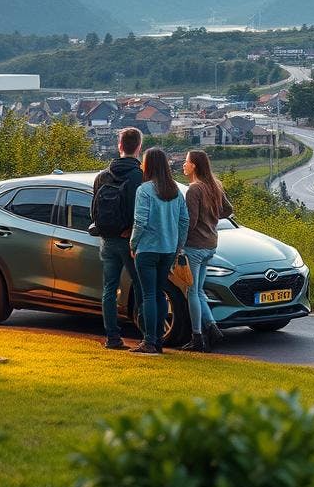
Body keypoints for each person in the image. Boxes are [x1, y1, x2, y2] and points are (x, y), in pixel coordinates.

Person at [129, 147, 189, 355]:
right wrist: (178, 246)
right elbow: (184, 221)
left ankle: (149, 341)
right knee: (160, 294)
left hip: (147, 249)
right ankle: (159, 340)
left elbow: (140, 222)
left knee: (148, 295)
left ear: (149, 164)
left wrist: (133, 244)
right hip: (168, 249)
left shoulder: (144, 190)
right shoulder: (175, 191)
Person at [89, 127, 144, 350]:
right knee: (141, 288)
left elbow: (93, 211)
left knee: (109, 289)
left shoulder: (103, 176)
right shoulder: (140, 176)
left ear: (119, 146)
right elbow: (141, 210)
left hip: (107, 240)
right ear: (139, 147)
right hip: (131, 240)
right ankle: (146, 335)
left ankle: (112, 338)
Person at [181, 149, 234, 352]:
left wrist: (179, 244)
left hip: (194, 247)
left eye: (186, 162)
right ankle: (212, 327)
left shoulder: (194, 190)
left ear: (194, 165)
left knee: (192, 291)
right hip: (211, 244)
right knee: (199, 290)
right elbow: (227, 210)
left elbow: (190, 222)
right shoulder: (214, 185)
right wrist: (211, 219)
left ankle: (197, 336)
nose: (183, 165)